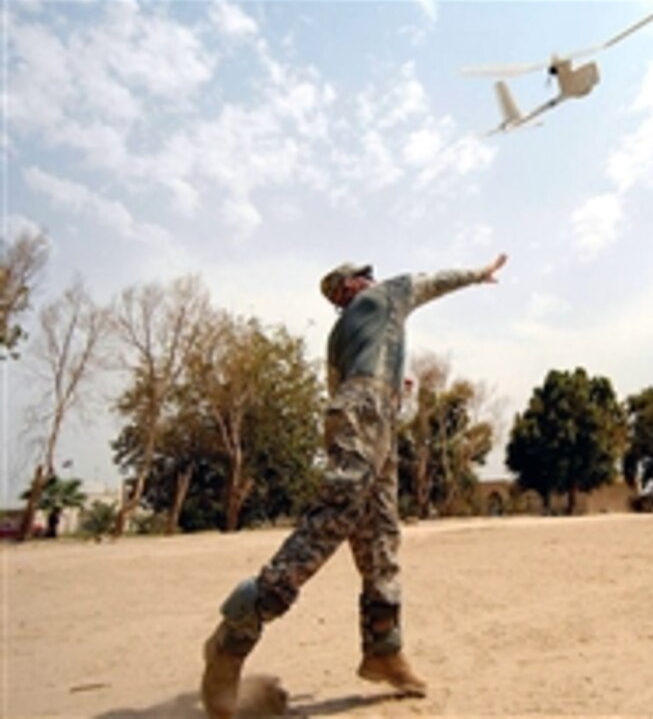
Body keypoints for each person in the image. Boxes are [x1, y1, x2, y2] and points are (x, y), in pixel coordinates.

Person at [201, 253, 509, 718]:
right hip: (366, 412)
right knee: (334, 519)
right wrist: (477, 274)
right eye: (364, 274)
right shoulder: (387, 296)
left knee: (382, 535)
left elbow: (334, 390)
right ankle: (236, 631)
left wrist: (384, 397)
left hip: (369, 414)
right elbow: (432, 281)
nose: (374, 277)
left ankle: (384, 650)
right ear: (350, 287)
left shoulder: (339, 337)